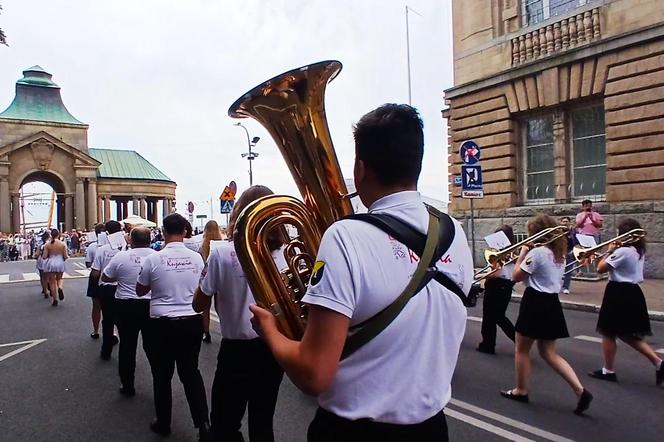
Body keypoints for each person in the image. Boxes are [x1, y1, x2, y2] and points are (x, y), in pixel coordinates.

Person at [249, 104, 473, 442]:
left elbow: (313, 375)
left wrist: (271, 330)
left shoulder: (344, 235)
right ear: (417, 164)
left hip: (352, 432)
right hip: (431, 429)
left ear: (361, 168)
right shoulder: (454, 232)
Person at [193, 186, 285, 442]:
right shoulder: (285, 253)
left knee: (224, 423)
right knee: (263, 421)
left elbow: (198, 305)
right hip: (274, 348)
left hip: (236, 350)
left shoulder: (221, 252)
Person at [501, 214, 592, 415]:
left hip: (534, 301)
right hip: (551, 303)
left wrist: (523, 253)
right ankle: (580, 390)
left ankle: (521, 390)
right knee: (549, 353)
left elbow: (515, 276)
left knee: (521, 349)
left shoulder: (538, 253)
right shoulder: (559, 253)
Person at [137, 213, 210, 441]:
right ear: (185, 231)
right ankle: (204, 424)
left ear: (164, 231)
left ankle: (163, 422)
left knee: (162, 375)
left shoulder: (153, 259)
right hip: (191, 321)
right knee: (191, 373)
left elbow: (140, 291)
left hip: (162, 323)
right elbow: (203, 285)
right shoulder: (197, 258)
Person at [590, 218, 664, 385]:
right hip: (633, 292)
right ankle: (658, 362)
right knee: (627, 334)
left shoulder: (622, 251)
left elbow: (601, 268)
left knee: (608, 332)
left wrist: (608, 252)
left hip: (618, 292)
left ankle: (608, 370)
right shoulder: (638, 250)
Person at [102, 227, 156, 396]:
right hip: (150, 305)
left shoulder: (121, 256)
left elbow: (105, 277)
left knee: (127, 345)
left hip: (126, 305)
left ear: (130, 240)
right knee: (153, 347)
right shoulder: (157, 256)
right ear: (149, 240)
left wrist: (122, 277)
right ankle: (159, 382)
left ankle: (127, 384)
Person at [477, 225, 516, 355]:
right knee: (499, 316)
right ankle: (518, 340)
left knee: (489, 317)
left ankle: (488, 345)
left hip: (496, 285)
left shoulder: (499, 251)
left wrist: (481, 276)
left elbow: (496, 273)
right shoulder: (514, 251)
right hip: (507, 286)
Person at [91, 220, 125, 360]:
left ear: (107, 232)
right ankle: (126, 350)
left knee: (108, 320)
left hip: (106, 289)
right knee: (124, 321)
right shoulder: (127, 247)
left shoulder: (102, 249)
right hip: (124, 288)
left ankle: (106, 351)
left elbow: (95, 273)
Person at [198, 220, 223, 344]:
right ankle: (225, 329)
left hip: (206, 278)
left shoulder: (202, 245)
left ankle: (206, 333)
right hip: (219, 278)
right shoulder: (221, 244)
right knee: (220, 307)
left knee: (205, 309)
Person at [86, 223, 105, 339]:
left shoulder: (92, 246)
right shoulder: (116, 246)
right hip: (111, 278)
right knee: (110, 307)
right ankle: (112, 331)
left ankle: (96, 330)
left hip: (96, 276)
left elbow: (88, 264)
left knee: (96, 306)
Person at [42, 229, 68, 306]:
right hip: (60, 261)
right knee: (60, 278)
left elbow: (44, 256)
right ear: (58, 234)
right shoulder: (62, 244)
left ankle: (54, 299)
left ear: (51, 235)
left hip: (51, 262)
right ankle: (60, 287)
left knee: (52, 281)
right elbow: (65, 256)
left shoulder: (47, 245)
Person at [560, 216, 577, 294]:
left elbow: (576, 242)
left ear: (569, 223)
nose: (565, 223)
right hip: (560, 253)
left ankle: (565, 287)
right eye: (563, 221)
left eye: (566, 221)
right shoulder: (558, 232)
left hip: (570, 252)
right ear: (560, 223)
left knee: (568, 271)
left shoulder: (573, 232)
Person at [35, 231, 50, 298]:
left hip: (41, 260)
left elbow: (37, 254)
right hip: (49, 260)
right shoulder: (50, 243)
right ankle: (50, 287)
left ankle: (45, 290)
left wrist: (35, 256)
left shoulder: (40, 244)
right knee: (49, 276)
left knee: (42, 277)